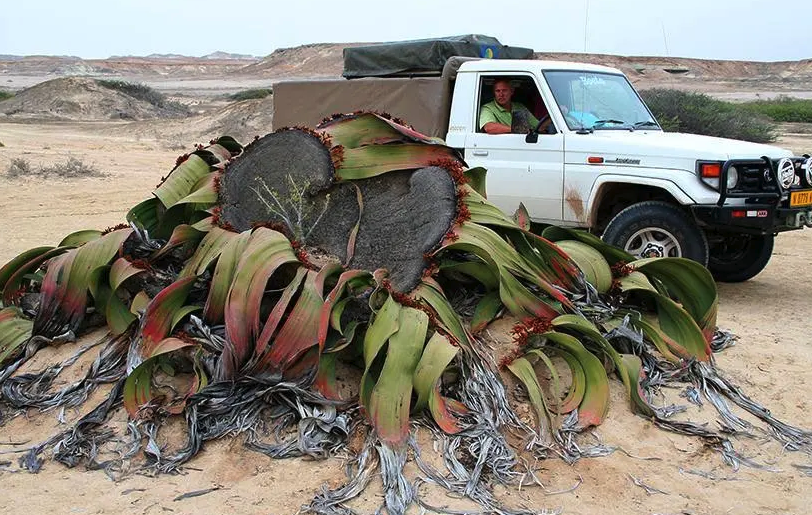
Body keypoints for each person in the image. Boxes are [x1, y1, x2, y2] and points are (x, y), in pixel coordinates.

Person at [479, 78, 544, 134]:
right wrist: (516, 130)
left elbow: (539, 126)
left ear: (512, 91)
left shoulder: (519, 107)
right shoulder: (488, 108)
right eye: (497, 91)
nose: (501, 94)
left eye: (504, 90)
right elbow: (489, 128)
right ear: (494, 93)